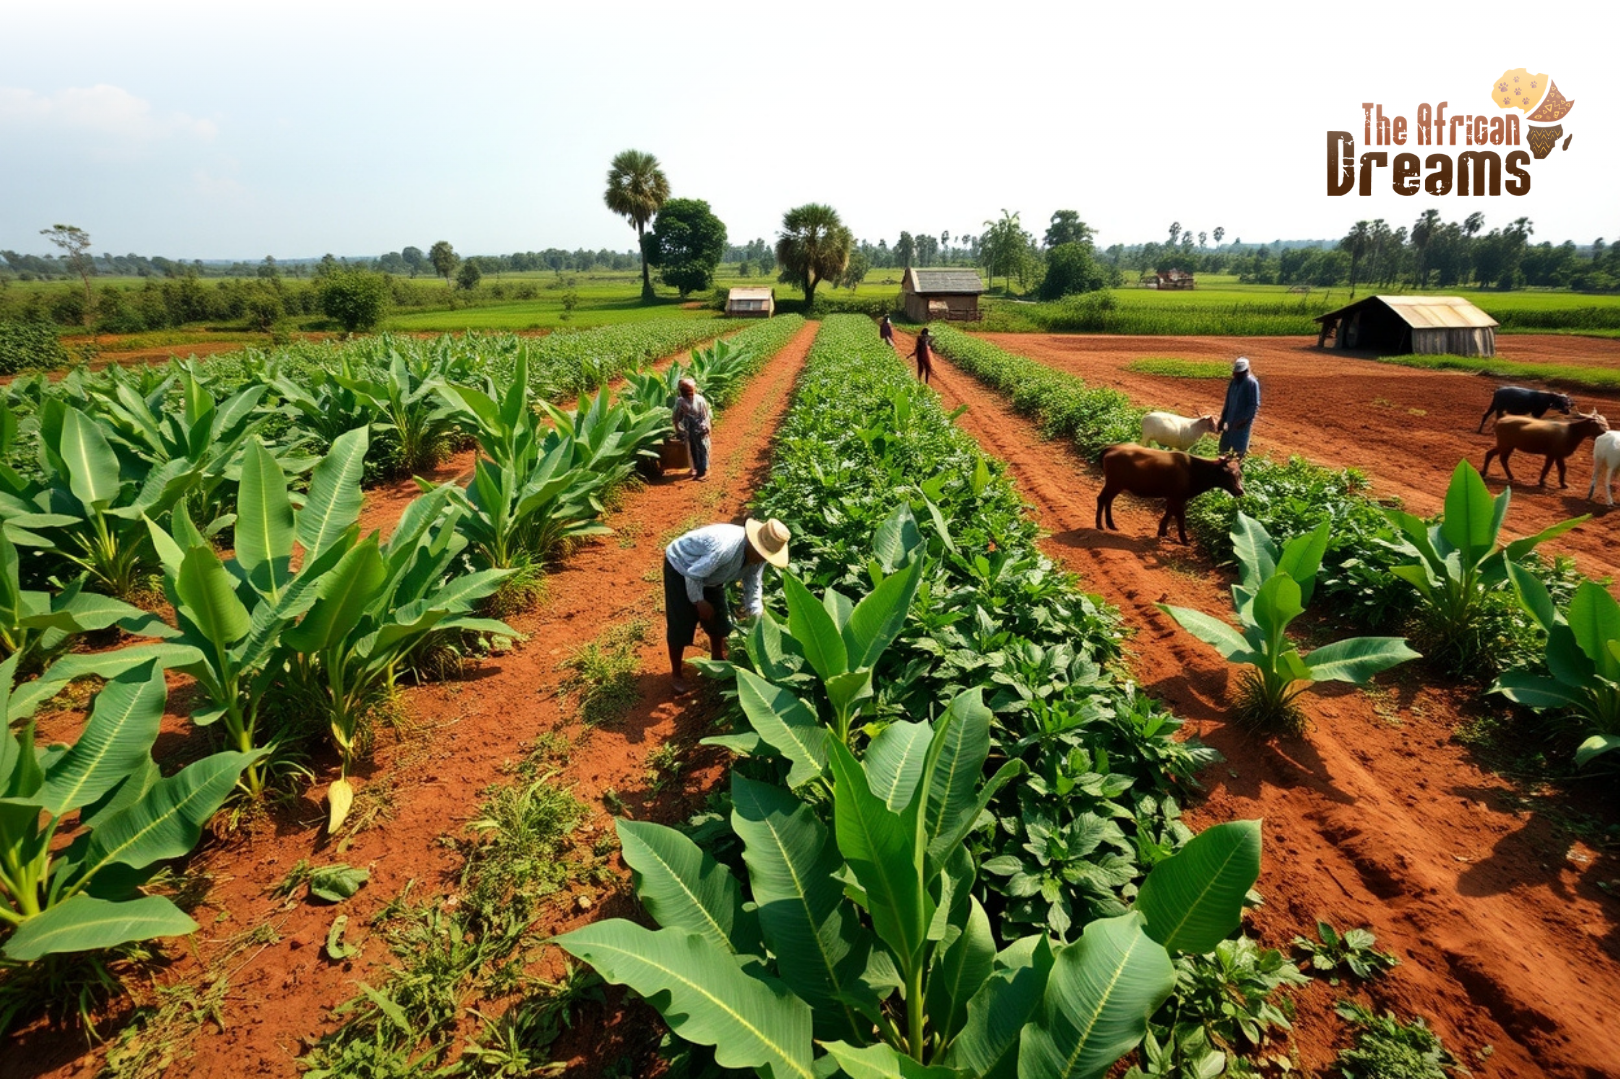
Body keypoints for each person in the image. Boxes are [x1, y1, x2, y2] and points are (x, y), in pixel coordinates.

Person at [664, 517, 791, 694]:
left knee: (719, 620)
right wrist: (699, 601)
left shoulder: (759, 558)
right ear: (754, 545)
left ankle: (717, 657)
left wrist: (757, 617)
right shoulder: (725, 549)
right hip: (683, 567)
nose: (762, 559)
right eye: (762, 555)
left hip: (712, 577)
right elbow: (693, 574)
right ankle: (676, 674)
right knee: (682, 622)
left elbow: (753, 585)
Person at [1217, 356, 1261, 457]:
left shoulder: (1252, 383)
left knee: (1239, 451)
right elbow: (1228, 401)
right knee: (1223, 448)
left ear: (1245, 371)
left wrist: (1244, 421)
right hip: (1229, 421)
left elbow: (1253, 405)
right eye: (1235, 372)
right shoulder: (1233, 382)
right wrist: (1222, 418)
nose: (1235, 374)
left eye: (1239, 373)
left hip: (1241, 423)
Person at [672, 377, 712, 481]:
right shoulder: (680, 402)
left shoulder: (699, 400)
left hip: (700, 428)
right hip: (689, 430)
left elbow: (705, 415)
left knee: (702, 449)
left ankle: (703, 470)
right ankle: (696, 469)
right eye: (686, 390)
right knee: (693, 450)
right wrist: (678, 428)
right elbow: (676, 416)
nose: (688, 392)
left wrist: (705, 426)